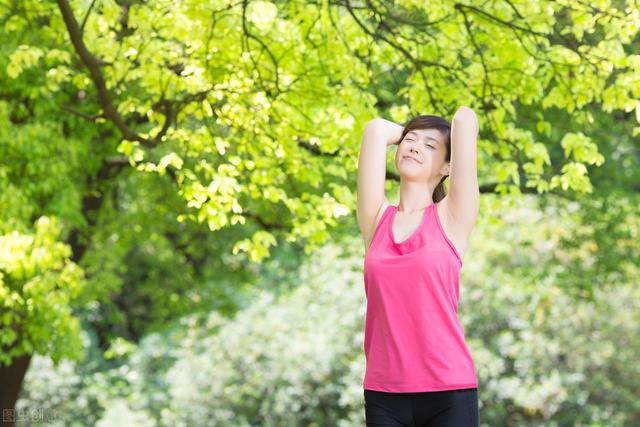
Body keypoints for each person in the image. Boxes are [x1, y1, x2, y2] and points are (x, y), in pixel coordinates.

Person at [356, 109, 481, 427]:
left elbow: (465, 120)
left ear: (448, 166)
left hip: (448, 391)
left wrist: (420, 135)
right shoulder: (376, 220)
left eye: (429, 146)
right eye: (409, 142)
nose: (414, 147)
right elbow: (375, 130)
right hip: (384, 392)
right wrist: (412, 135)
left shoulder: (452, 216)